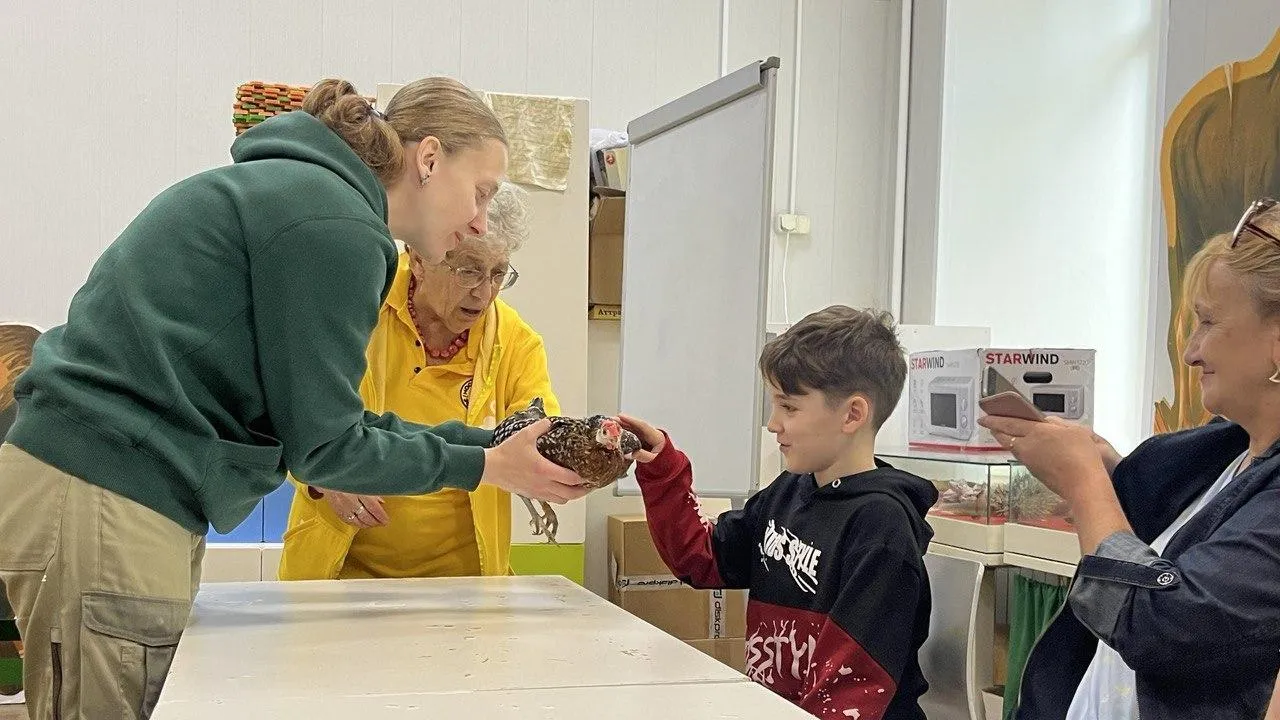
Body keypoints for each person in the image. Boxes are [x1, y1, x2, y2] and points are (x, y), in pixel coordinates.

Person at [0, 77, 589, 720]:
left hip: (121, 488)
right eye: (480, 192)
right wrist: (486, 465)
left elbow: (338, 422)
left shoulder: (307, 197)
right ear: (427, 159)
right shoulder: (338, 225)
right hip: (107, 487)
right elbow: (326, 448)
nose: (480, 220)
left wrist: (492, 445)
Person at [980, 197, 1280, 718]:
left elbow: (1160, 621)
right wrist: (1110, 474)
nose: (1190, 352)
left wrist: (1083, 482)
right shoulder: (1228, 452)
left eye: (1208, 322)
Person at [620, 305, 937, 720]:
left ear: (853, 414)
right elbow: (702, 560)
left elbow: (848, 691)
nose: (773, 424)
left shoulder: (881, 528)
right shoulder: (789, 491)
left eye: (789, 408)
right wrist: (662, 469)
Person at [278, 181, 559, 580]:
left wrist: (576, 457)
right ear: (419, 257)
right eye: (468, 271)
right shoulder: (356, 305)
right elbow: (294, 416)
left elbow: (539, 438)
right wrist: (326, 478)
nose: (484, 293)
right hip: (338, 571)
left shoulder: (517, 342)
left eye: (498, 274)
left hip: (463, 582)